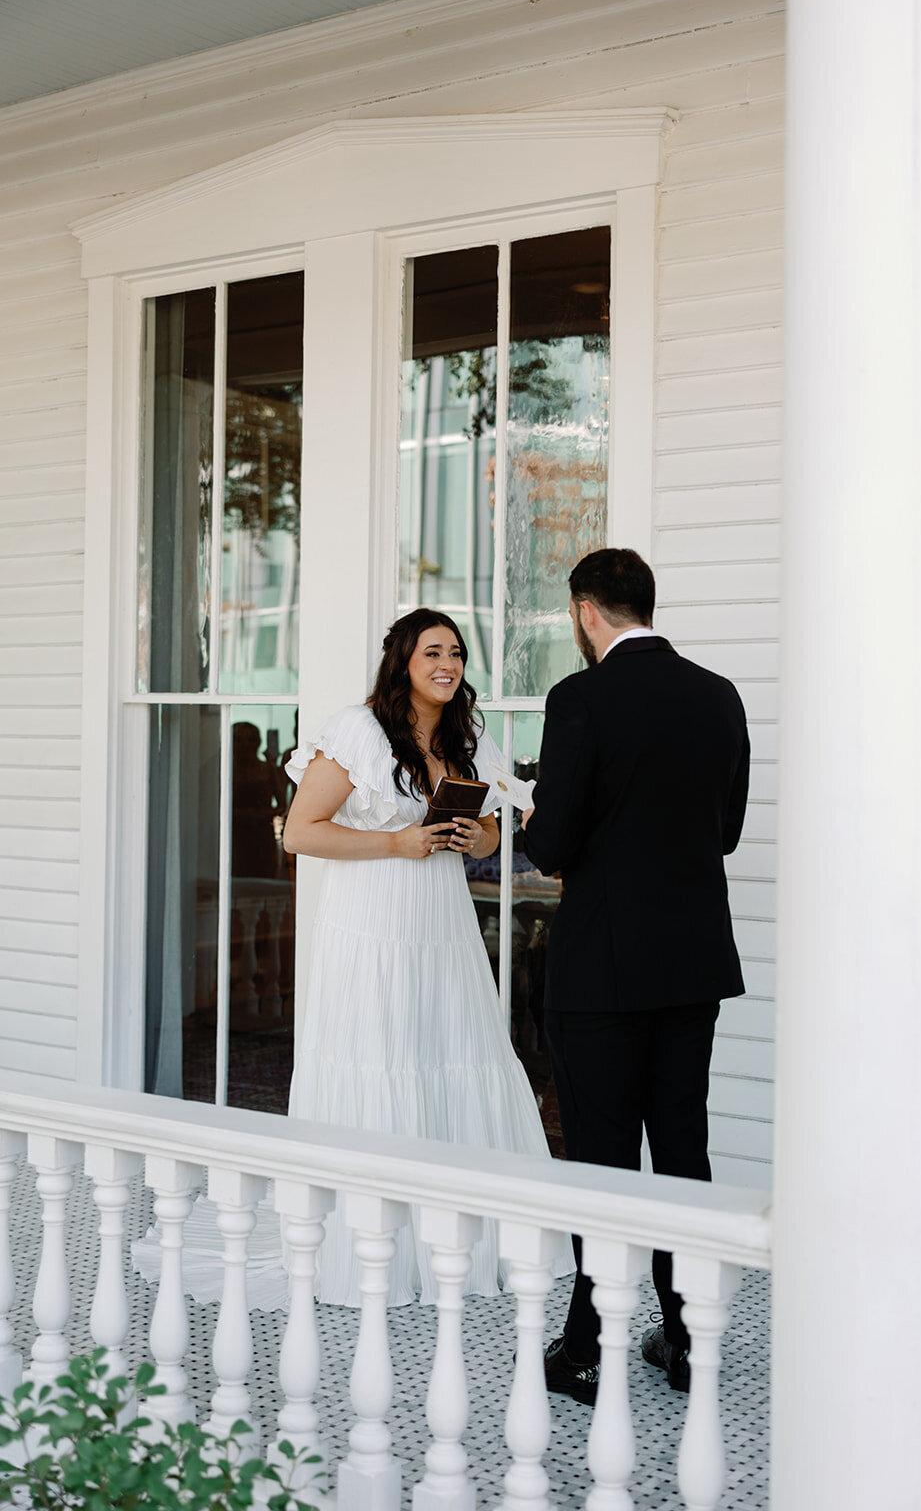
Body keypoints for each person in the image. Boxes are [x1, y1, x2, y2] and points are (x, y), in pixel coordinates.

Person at [134, 608, 568, 1309]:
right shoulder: (359, 730)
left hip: (440, 922)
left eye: (456, 653)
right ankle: (370, 1244)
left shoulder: (468, 736)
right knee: (381, 1052)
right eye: (432, 652)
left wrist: (474, 837)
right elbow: (301, 834)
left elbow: (491, 834)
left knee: (447, 1050)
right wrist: (396, 844)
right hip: (371, 921)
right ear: (402, 660)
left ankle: (457, 1235)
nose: (447, 664)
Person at [522, 548, 749, 1403]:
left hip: (601, 971)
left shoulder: (579, 698)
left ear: (586, 613)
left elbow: (552, 845)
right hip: (692, 963)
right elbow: (722, 830)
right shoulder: (717, 694)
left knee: (601, 1162)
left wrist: (536, 811)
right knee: (682, 1153)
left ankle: (585, 1349)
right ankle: (688, 1343)